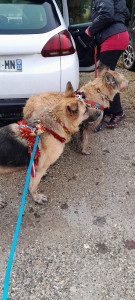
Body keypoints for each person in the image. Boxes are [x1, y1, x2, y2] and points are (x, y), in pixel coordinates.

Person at [85, 0, 130, 128]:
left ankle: (118, 112)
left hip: (113, 38)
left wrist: (91, 30)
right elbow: (126, 13)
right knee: (107, 76)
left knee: (105, 78)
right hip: (120, 35)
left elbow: (107, 15)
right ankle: (110, 107)